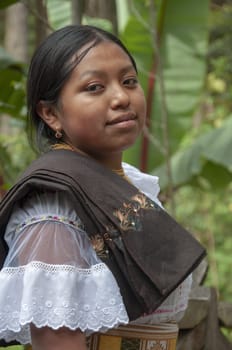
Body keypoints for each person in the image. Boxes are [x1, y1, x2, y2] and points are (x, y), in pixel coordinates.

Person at [0, 25, 205, 350]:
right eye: (95, 87)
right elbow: (56, 340)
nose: (122, 97)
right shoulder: (54, 206)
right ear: (50, 113)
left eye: (129, 81)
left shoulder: (130, 184)